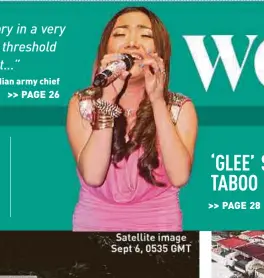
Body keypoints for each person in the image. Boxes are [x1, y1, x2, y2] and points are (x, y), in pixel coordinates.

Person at [66, 6, 198, 232]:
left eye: (145, 35)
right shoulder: (82, 103)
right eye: (120, 34)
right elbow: (93, 175)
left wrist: (157, 101)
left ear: (160, 52)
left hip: (159, 225)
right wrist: (107, 98)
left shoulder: (180, 107)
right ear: (105, 49)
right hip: (93, 224)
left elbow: (179, 176)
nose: (132, 43)